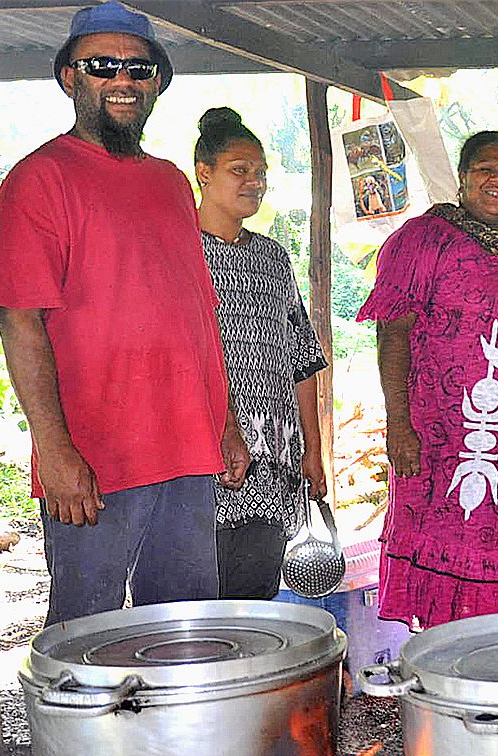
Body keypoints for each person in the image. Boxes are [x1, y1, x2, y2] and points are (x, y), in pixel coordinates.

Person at [0, 1, 248, 626]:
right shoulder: (39, 179)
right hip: (96, 461)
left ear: (155, 81)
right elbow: (21, 321)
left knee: (185, 637)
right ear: (71, 77)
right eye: (101, 66)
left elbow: (194, 319)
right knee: (82, 637)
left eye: (138, 67)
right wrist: (54, 449)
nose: (122, 80)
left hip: (187, 450)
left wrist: (224, 422)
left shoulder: (172, 183)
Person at [357, 131, 498, 628]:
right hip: (441, 444)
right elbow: (392, 334)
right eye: (487, 168)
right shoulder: (422, 239)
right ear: (462, 178)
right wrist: (399, 424)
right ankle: (445, 682)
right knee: (448, 571)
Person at [195, 107, 329, 600]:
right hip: (208, 461)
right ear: (203, 173)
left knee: (254, 603)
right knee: (203, 606)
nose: (254, 182)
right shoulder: (179, 250)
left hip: (276, 463)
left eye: (260, 173)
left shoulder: (272, 257)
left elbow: (303, 360)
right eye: (239, 170)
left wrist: (313, 450)